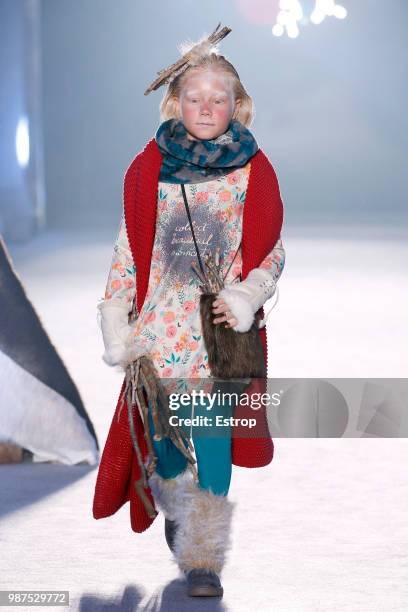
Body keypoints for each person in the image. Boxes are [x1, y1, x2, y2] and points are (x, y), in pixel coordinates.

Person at [93, 25, 285, 598]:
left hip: (217, 332)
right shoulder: (148, 170)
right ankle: (178, 506)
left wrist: (247, 296)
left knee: (214, 438)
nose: (207, 107)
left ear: (238, 105)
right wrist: (117, 319)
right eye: (194, 97)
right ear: (174, 103)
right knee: (169, 446)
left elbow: (271, 251)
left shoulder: (254, 171)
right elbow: (129, 249)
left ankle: (203, 558)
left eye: (219, 98)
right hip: (158, 334)